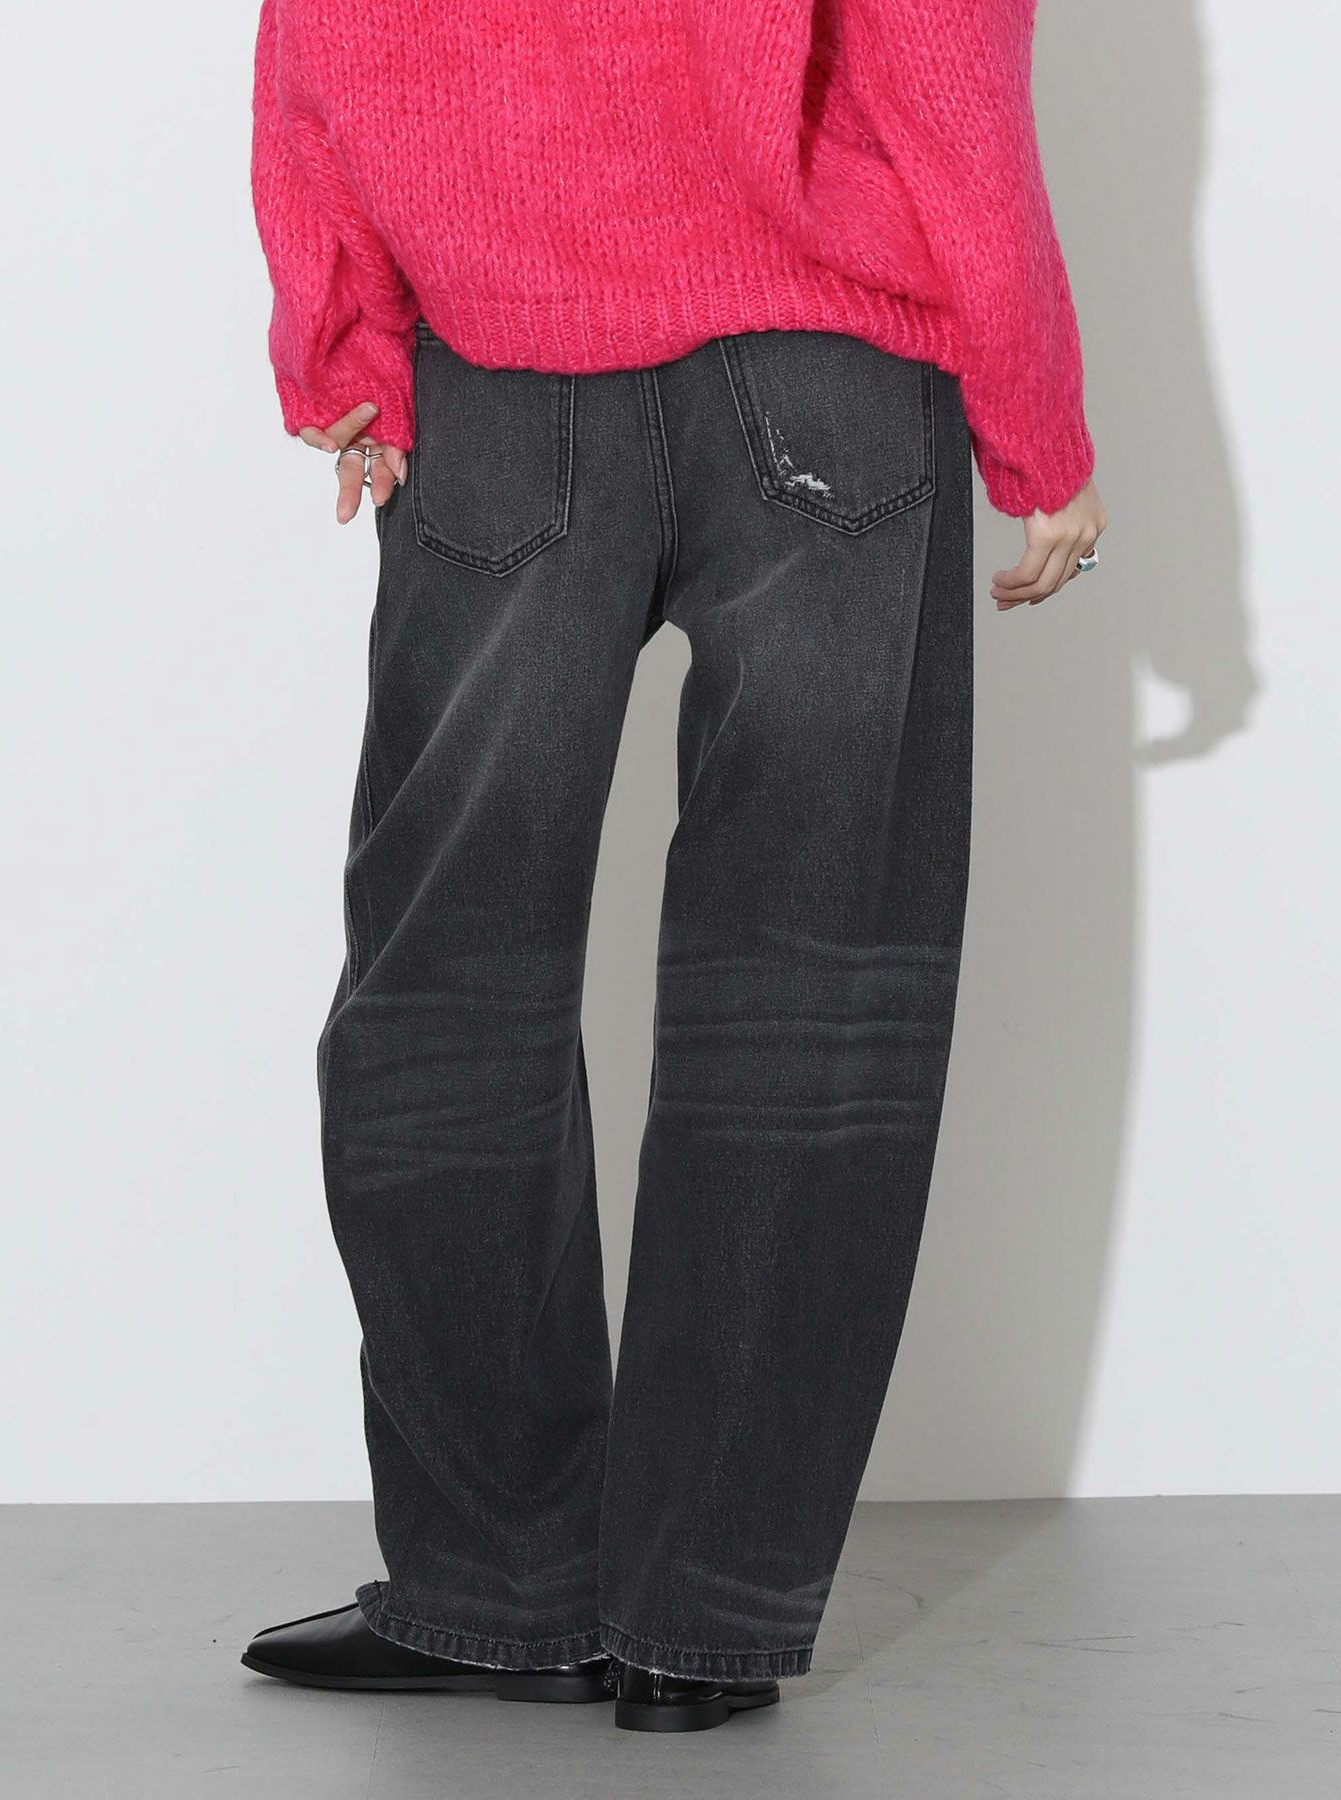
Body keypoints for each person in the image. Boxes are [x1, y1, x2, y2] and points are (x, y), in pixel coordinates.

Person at [240, 0, 1106, 1735]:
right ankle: (701, 1620)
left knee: (447, 979)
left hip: (501, 359)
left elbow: (315, 35)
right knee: (808, 989)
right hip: (826, 367)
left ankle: (496, 1592)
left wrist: (343, 335)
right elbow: (941, 47)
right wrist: (1036, 414)